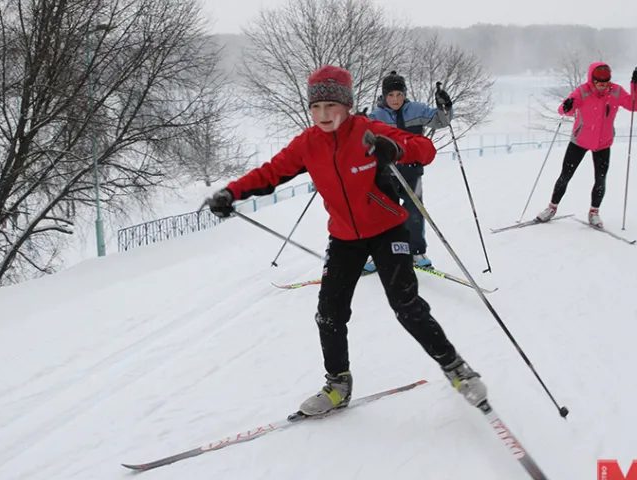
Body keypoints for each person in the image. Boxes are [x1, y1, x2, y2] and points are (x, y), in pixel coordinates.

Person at [204, 65, 486, 416]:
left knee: (406, 306)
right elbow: (270, 173)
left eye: (331, 107)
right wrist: (232, 192)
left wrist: (394, 150)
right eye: (316, 107)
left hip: (388, 230)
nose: (323, 115)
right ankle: (338, 384)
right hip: (344, 239)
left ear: (347, 106)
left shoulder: (368, 131)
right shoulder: (307, 144)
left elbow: (424, 149)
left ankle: (457, 369)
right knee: (329, 314)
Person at [535, 63, 637, 228]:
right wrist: (567, 106)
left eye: (605, 82)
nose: (602, 86)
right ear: (592, 79)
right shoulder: (583, 91)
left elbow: (635, 105)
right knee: (565, 176)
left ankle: (594, 213)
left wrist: (636, 85)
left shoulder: (616, 91)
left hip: (603, 143)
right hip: (579, 141)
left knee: (600, 180)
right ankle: (551, 208)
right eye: (599, 82)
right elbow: (564, 110)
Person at [365, 71, 453, 270]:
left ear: (404, 94)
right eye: (391, 95)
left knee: (414, 210)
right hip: (385, 171)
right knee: (383, 211)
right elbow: (363, 135)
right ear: (384, 96)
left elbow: (442, 121)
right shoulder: (376, 116)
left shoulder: (417, 109)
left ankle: (415, 251)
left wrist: (445, 106)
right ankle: (379, 252)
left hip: (412, 168)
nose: (395, 99)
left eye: (399, 94)